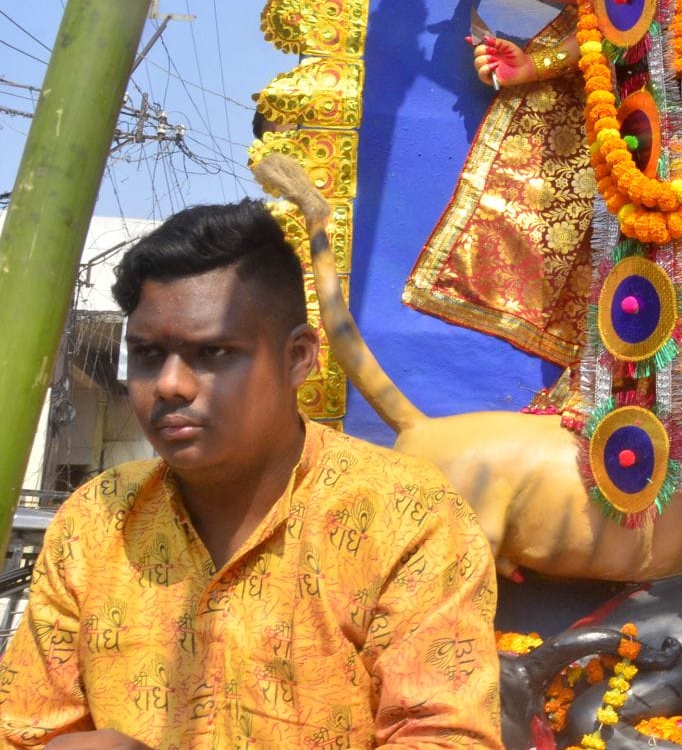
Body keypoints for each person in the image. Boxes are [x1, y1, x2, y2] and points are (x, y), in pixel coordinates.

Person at [0, 202, 502, 749]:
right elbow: (26, 728)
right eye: (146, 353)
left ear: (298, 358)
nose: (169, 384)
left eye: (213, 352)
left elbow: (446, 739)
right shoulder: (96, 521)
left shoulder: (403, 513)